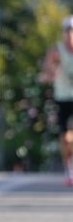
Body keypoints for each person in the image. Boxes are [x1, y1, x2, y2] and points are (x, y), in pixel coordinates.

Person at [40, 14, 73, 187]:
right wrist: (51, 73)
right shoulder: (56, 50)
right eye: (67, 31)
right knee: (66, 138)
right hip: (63, 98)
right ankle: (68, 168)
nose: (70, 35)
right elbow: (45, 73)